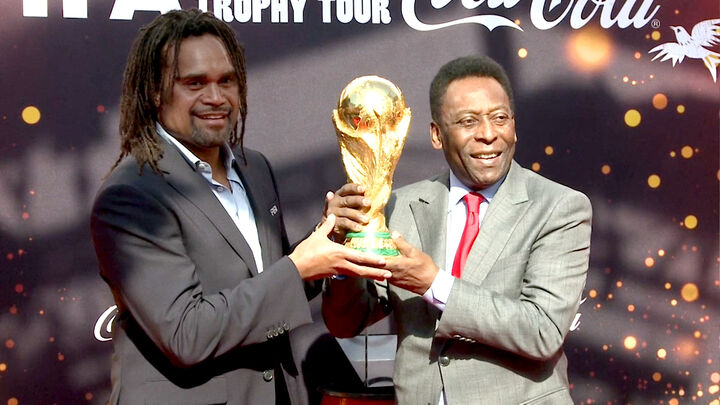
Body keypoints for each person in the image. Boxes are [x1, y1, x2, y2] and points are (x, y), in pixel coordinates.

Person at [90, 9, 389, 405]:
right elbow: (185, 335)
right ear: (155, 92)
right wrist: (299, 266)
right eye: (195, 83)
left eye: (226, 81)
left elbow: (268, 283)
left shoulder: (254, 168)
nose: (216, 98)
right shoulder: (131, 195)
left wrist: (326, 240)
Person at [321, 55, 592, 404]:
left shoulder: (559, 207)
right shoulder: (399, 205)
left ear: (514, 126)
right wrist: (343, 250)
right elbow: (347, 323)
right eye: (468, 121)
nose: (488, 134)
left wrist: (434, 284)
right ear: (437, 135)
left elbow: (542, 332)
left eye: (500, 118)